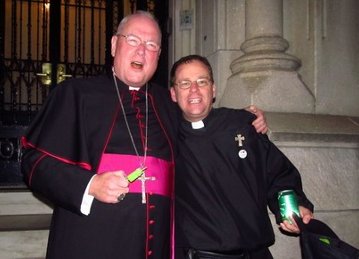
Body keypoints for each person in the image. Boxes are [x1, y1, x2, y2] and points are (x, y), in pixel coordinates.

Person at [21, 12, 267, 259]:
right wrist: (90, 185)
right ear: (114, 45)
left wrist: (243, 119)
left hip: (158, 245)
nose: (142, 51)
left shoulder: (167, 103)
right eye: (133, 40)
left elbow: (202, 119)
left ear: (158, 56)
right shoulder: (75, 94)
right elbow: (34, 163)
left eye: (151, 45)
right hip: (90, 241)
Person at [169, 55, 314, 259]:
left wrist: (293, 206)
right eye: (185, 84)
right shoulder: (165, 135)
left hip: (256, 254)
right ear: (173, 94)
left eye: (202, 81)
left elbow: (278, 174)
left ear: (213, 89)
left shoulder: (242, 124)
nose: (194, 90)